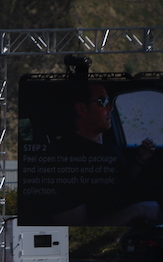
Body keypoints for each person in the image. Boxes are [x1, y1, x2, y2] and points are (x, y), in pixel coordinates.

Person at [47, 82, 159, 225]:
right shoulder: (61, 157)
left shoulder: (106, 143)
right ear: (81, 108)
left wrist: (140, 160)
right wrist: (138, 210)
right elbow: (75, 227)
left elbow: (121, 184)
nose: (110, 108)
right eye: (103, 101)